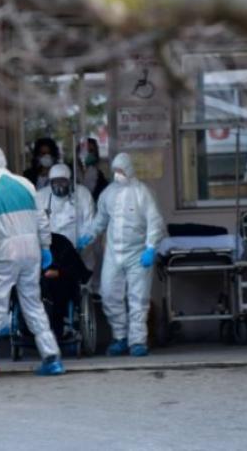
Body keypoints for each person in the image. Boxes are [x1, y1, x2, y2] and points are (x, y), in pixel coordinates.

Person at [0, 146, 65, 381]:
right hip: (31, 252)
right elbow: (41, 219)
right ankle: (51, 357)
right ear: (5, 161)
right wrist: (46, 247)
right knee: (33, 304)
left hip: (4, 253)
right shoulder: (26, 185)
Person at [79, 152, 165, 357]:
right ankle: (120, 336)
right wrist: (89, 235)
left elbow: (155, 222)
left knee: (138, 299)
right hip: (113, 254)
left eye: (121, 171)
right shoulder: (108, 194)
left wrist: (151, 247)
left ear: (129, 170)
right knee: (109, 295)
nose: (118, 174)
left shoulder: (143, 193)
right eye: (115, 171)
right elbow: (100, 220)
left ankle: (138, 341)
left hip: (138, 254)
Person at [35, 163, 95, 343]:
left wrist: (84, 242)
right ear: (50, 182)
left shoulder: (82, 195)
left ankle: (70, 321)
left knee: (73, 283)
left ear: (70, 181)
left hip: (74, 252)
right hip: (48, 250)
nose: (60, 186)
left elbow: (90, 224)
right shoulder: (41, 197)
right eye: (56, 182)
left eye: (63, 181)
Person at [79, 137, 109, 202]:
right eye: (86, 151)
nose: (88, 154)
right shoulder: (75, 171)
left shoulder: (99, 175)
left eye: (91, 151)